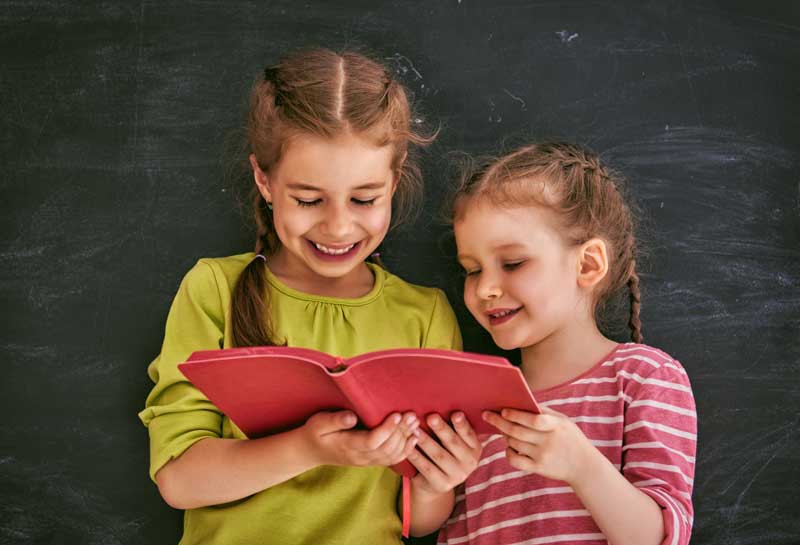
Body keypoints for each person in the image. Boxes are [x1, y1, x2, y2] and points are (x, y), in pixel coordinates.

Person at [138, 48, 463, 544]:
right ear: (264, 180)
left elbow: (418, 522)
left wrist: (440, 477)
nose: (338, 226)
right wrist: (309, 449)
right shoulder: (213, 289)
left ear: (394, 184)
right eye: (308, 199)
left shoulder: (424, 315)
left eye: (365, 199)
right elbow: (180, 480)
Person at [427, 142, 697, 544]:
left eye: (513, 263)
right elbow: (428, 527)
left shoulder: (643, 378)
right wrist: (433, 482)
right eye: (471, 270)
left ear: (587, 264)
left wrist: (582, 466)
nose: (485, 288)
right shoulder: (473, 402)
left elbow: (661, 538)